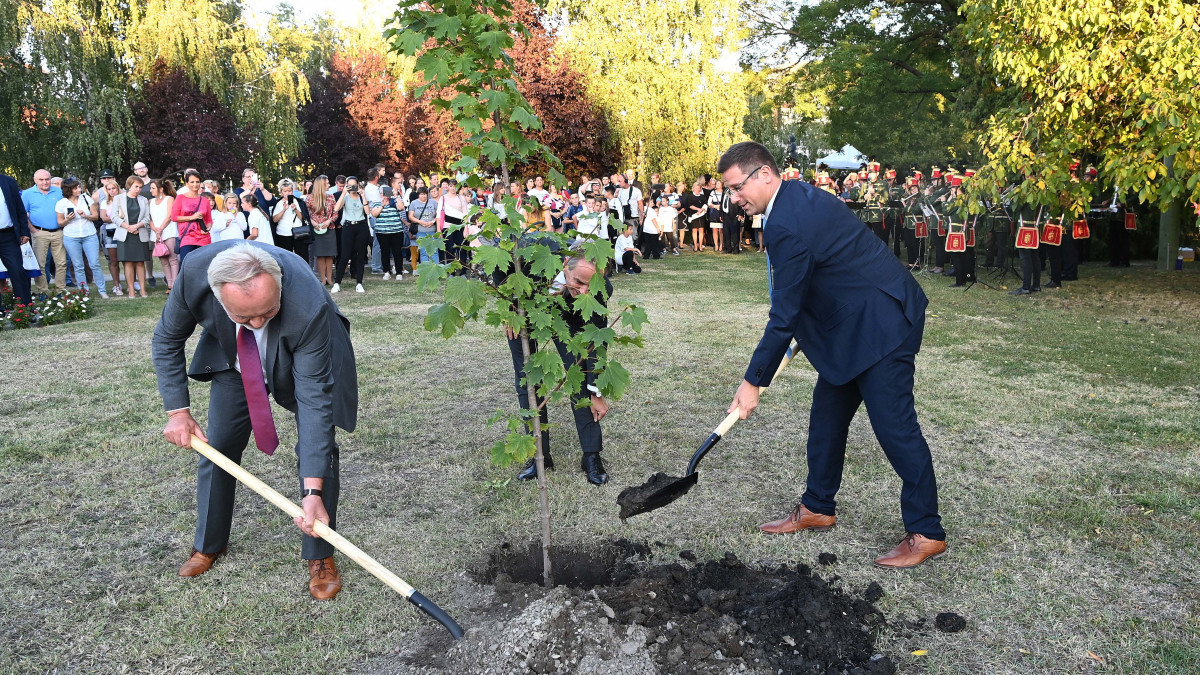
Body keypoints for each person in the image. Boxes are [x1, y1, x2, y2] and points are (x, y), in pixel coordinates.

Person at [719, 141, 946, 569]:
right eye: (729, 191)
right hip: (850, 327)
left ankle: (927, 531)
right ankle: (818, 506)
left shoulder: (788, 220)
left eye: (736, 188)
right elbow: (827, 272)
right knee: (826, 420)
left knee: (896, 430)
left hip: (882, 325)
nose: (734, 199)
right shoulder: (795, 200)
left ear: (764, 174)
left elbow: (783, 313)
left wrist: (753, 382)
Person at [152, 240, 358, 600]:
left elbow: (313, 404)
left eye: (267, 311)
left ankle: (320, 552)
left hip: (303, 351)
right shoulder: (194, 276)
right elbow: (167, 338)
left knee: (321, 445)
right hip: (234, 356)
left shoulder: (307, 305)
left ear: (279, 286)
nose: (259, 323)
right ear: (218, 297)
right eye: (245, 316)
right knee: (219, 445)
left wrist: (312, 492)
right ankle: (209, 543)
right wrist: (178, 412)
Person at [506, 255, 611, 485]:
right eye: (579, 282)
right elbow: (502, 273)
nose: (585, 291)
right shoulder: (530, 255)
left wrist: (597, 392)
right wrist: (511, 307)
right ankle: (539, 457)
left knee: (579, 379)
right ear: (565, 264)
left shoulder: (600, 289)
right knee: (528, 382)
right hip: (526, 314)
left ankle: (591, 456)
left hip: (571, 323)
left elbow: (597, 342)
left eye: (590, 285)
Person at [55, 178, 107, 298]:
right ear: (69, 190)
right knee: (78, 265)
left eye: (79, 187)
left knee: (95, 263)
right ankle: (84, 291)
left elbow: (95, 216)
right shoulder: (61, 203)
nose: (79, 189)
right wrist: (67, 219)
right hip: (71, 236)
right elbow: (60, 223)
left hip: (89, 235)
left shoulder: (86, 198)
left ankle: (102, 290)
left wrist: (86, 216)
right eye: (76, 188)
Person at [23, 169, 66, 294]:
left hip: (58, 231)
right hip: (39, 232)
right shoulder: (28, 193)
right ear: (35, 180)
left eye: (47, 179)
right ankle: (43, 291)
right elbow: (22, 213)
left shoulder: (59, 191)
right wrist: (32, 230)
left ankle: (60, 290)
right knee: (40, 264)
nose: (45, 182)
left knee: (61, 263)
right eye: (41, 180)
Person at [111, 176, 152, 298]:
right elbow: (114, 217)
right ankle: (132, 290)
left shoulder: (144, 200)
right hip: (125, 234)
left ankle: (143, 289)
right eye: (136, 187)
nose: (138, 189)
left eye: (140, 187)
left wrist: (137, 226)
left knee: (140, 262)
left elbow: (147, 217)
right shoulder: (118, 199)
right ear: (129, 185)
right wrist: (128, 227)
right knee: (128, 262)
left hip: (140, 233)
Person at [331, 176, 370, 294]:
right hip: (348, 227)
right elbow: (336, 209)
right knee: (344, 256)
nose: (352, 187)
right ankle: (337, 283)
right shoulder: (346, 197)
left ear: (358, 185)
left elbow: (368, 212)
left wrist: (363, 196)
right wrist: (343, 193)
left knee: (360, 255)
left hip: (361, 226)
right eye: (350, 185)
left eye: (354, 185)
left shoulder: (361, 196)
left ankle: (359, 283)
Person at [0, 173, 33, 306]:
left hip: (8, 235)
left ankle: (24, 308)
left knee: (17, 271)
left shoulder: (8, 182)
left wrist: (24, 231)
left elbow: (20, 208)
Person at [173, 169, 213, 263]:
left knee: (203, 265)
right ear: (187, 183)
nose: (195, 184)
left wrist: (208, 227)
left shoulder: (205, 200)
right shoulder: (180, 198)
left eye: (197, 182)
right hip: (187, 237)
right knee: (187, 264)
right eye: (192, 182)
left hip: (203, 238)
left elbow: (209, 220)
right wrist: (192, 217)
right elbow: (174, 217)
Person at [148, 179, 180, 291]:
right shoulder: (150, 202)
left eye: (153, 188)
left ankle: (175, 284)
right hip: (156, 233)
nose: (150, 190)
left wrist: (160, 228)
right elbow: (150, 219)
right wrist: (155, 230)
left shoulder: (169, 199)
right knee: (163, 259)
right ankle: (169, 284)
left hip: (168, 231)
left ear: (160, 189)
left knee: (172, 258)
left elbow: (169, 216)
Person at [307, 177, 338, 286]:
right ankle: (323, 279)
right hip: (317, 229)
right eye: (327, 183)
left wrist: (329, 221)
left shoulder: (331, 197)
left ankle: (329, 279)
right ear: (321, 185)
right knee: (320, 255)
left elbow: (335, 213)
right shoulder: (310, 198)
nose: (329, 185)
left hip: (329, 229)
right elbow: (306, 214)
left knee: (330, 255)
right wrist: (313, 223)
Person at [271, 179, 311, 262]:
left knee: (302, 256)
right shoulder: (278, 203)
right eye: (285, 191)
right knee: (285, 258)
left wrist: (295, 209)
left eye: (289, 191)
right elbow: (274, 220)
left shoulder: (299, 202)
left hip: (298, 232)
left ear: (292, 191)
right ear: (281, 192)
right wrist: (283, 210)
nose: (287, 193)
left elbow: (303, 218)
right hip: (283, 233)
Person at [374, 186, 406, 280]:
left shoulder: (394, 201)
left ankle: (399, 272)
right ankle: (386, 271)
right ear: (380, 194)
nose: (385, 194)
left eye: (387, 192)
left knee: (397, 252)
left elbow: (401, 207)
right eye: (383, 193)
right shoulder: (377, 203)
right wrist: (382, 205)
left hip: (396, 231)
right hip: (382, 232)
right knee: (385, 252)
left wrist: (396, 196)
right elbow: (374, 214)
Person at [406, 187, 439, 271]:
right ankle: (425, 270)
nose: (423, 196)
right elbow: (410, 216)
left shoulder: (433, 202)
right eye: (421, 194)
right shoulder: (414, 203)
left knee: (434, 252)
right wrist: (420, 222)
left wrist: (432, 221)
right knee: (423, 252)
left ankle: (435, 270)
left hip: (432, 230)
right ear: (418, 195)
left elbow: (438, 215)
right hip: (421, 231)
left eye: (424, 194)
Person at [684, 181, 707, 251]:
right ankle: (695, 245)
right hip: (693, 215)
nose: (697, 189)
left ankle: (700, 245)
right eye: (696, 188)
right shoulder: (690, 196)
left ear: (700, 189)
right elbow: (690, 205)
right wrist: (698, 209)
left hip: (701, 215)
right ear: (693, 188)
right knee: (694, 230)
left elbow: (706, 204)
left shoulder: (703, 196)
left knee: (701, 230)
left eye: (698, 188)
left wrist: (701, 210)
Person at [707, 180, 726, 253]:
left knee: (721, 230)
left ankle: (721, 244)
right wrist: (715, 206)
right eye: (716, 183)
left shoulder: (724, 193)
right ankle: (716, 245)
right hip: (714, 212)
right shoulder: (713, 192)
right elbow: (709, 202)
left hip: (722, 211)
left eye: (718, 183)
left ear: (722, 184)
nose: (717, 185)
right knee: (714, 230)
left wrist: (721, 206)